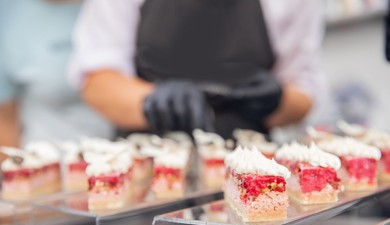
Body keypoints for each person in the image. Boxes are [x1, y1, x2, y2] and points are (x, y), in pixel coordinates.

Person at [69, 0, 326, 139]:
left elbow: (303, 91)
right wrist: (151, 102)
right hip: (145, 176)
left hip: (253, 176)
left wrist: (277, 101)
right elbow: (98, 81)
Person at [0, 0, 114, 148]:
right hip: (47, 161)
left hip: (132, 155)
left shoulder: (121, 6)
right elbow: (5, 118)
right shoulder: (9, 13)